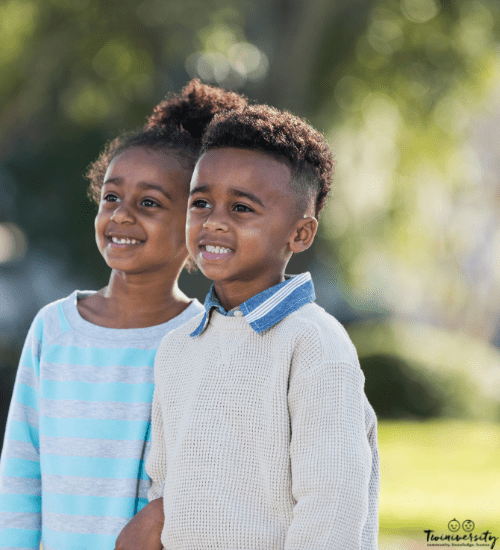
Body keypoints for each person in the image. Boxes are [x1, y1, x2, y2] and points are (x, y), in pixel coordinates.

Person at [0, 80, 247, 550]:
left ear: (196, 224)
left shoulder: (208, 338)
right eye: (111, 197)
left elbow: (215, 473)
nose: (122, 215)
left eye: (149, 203)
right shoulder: (52, 329)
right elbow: (20, 471)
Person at [145, 105, 380, 550]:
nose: (213, 221)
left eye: (241, 207)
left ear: (300, 234)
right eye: (200, 203)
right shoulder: (178, 346)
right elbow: (164, 486)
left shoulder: (313, 344)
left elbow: (333, 502)